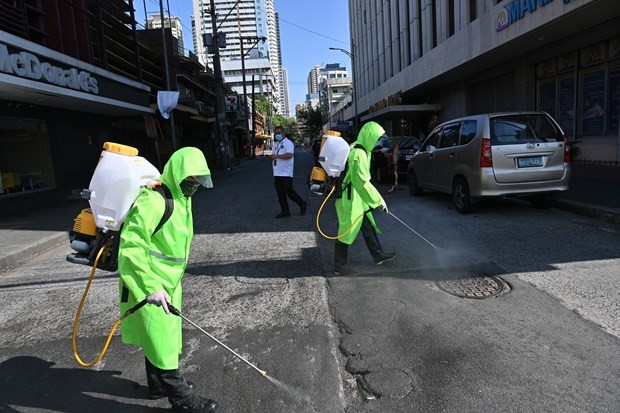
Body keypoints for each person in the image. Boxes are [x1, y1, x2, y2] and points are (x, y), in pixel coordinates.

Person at [118, 147, 217, 413]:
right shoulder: (154, 200)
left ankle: (158, 386)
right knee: (161, 340)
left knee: (164, 337)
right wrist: (150, 287)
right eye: (190, 180)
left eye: (198, 181)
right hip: (148, 284)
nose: (194, 186)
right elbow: (131, 247)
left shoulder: (181, 198)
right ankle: (182, 400)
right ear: (177, 173)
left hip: (169, 283)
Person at [334, 121, 396, 276]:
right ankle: (339, 266)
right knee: (346, 230)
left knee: (367, 226)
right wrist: (378, 200)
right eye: (376, 139)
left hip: (357, 196)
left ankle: (378, 255)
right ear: (369, 137)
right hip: (350, 198)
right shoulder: (358, 154)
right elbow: (361, 181)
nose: (378, 143)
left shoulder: (362, 149)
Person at [268, 126, 307, 218]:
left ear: (283, 133)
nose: (277, 135)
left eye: (279, 133)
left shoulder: (288, 143)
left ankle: (302, 203)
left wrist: (276, 156)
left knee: (290, 192)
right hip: (277, 173)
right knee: (280, 195)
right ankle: (285, 212)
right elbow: (274, 155)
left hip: (286, 173)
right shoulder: (276, 144)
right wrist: (270, 157)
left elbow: (289, 155)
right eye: (276, 133)